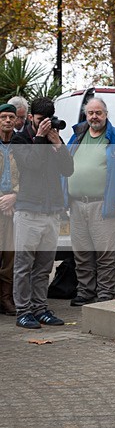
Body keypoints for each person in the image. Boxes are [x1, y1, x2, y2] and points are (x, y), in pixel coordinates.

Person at [64, 97, 115, 306]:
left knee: (105, 253)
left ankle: (104, 292)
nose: (94, 117)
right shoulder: (77, 136)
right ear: (86, 115)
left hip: (103, 204)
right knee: (82, 252)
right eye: (90, 113)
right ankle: (85, 292)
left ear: (106, 114)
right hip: (77, 204)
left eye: (99, 113)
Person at [11, 97, 74, 329]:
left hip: (52, 211)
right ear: (30, 118)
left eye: (47, 121)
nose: (45, 125)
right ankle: (23, 311)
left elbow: (68, 170)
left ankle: (40, 308)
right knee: (23, 265)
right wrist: (39, 138)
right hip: (28, 211)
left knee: (44, 267)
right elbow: (32, 165)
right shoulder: (20, 138)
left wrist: (58, 145)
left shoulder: (53, 138)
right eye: (39, 121)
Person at [0, 104, 19, 315]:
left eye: (11, 117)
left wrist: (14, 196)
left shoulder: (20, 144)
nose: (7, 120)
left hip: (14, 208)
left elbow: (29, 175)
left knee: (10, 255)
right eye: (3, 116)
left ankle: (6, 298)